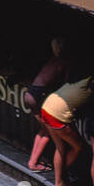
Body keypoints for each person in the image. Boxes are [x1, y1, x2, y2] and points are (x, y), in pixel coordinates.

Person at [40, 71, 94, 186]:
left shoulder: (80, 76)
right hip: (57, 113)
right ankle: (61, 177)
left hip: (47, 106)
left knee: (60, 147)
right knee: (78, 147)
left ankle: (59, 182)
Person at [23, 37, 69, 172]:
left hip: (30, 93)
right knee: (48, 131)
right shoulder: (63, 62)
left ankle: (33, 161)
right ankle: (33, 163)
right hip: (39, 94)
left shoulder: (52, 60)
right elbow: (65, 83)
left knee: (43, 129)